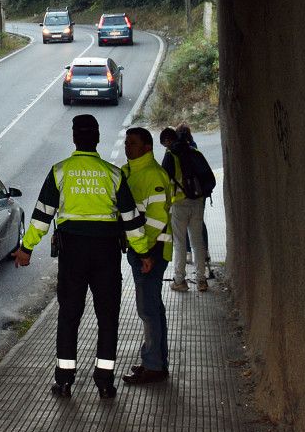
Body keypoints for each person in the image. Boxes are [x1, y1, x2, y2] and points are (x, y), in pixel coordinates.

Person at [14, 114, 149, 399]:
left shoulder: (60, 171)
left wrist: (26, 249)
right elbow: (131, 220)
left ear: (74, 138)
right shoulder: (113, 174)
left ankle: (64, 380)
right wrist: (144, 252)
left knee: (69, 315)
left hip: (72, 252)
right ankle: (105, 381)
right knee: (108, 316)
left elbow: (41, 216)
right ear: (97, 139)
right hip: (106, 252)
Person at [120, 127, 174, 384]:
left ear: (147, 148)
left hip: (150, 252)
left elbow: (157, 218)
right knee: (153, 308)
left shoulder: (151, 174)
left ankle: (153, 366)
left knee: (148, 310)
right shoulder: (130, 171)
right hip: (143, 250)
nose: (127, 147)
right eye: (126, 143)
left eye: (132, 144)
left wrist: (145, 252)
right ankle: (156, 362)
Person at [162, 127, 212, 292]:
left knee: (180, 243)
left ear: (168, 141)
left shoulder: (170, 156)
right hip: (197, 201)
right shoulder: (193, 150)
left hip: (179, 203)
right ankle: (201, 280)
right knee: (197, 242)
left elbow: (163, 180)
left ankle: (179, 280)